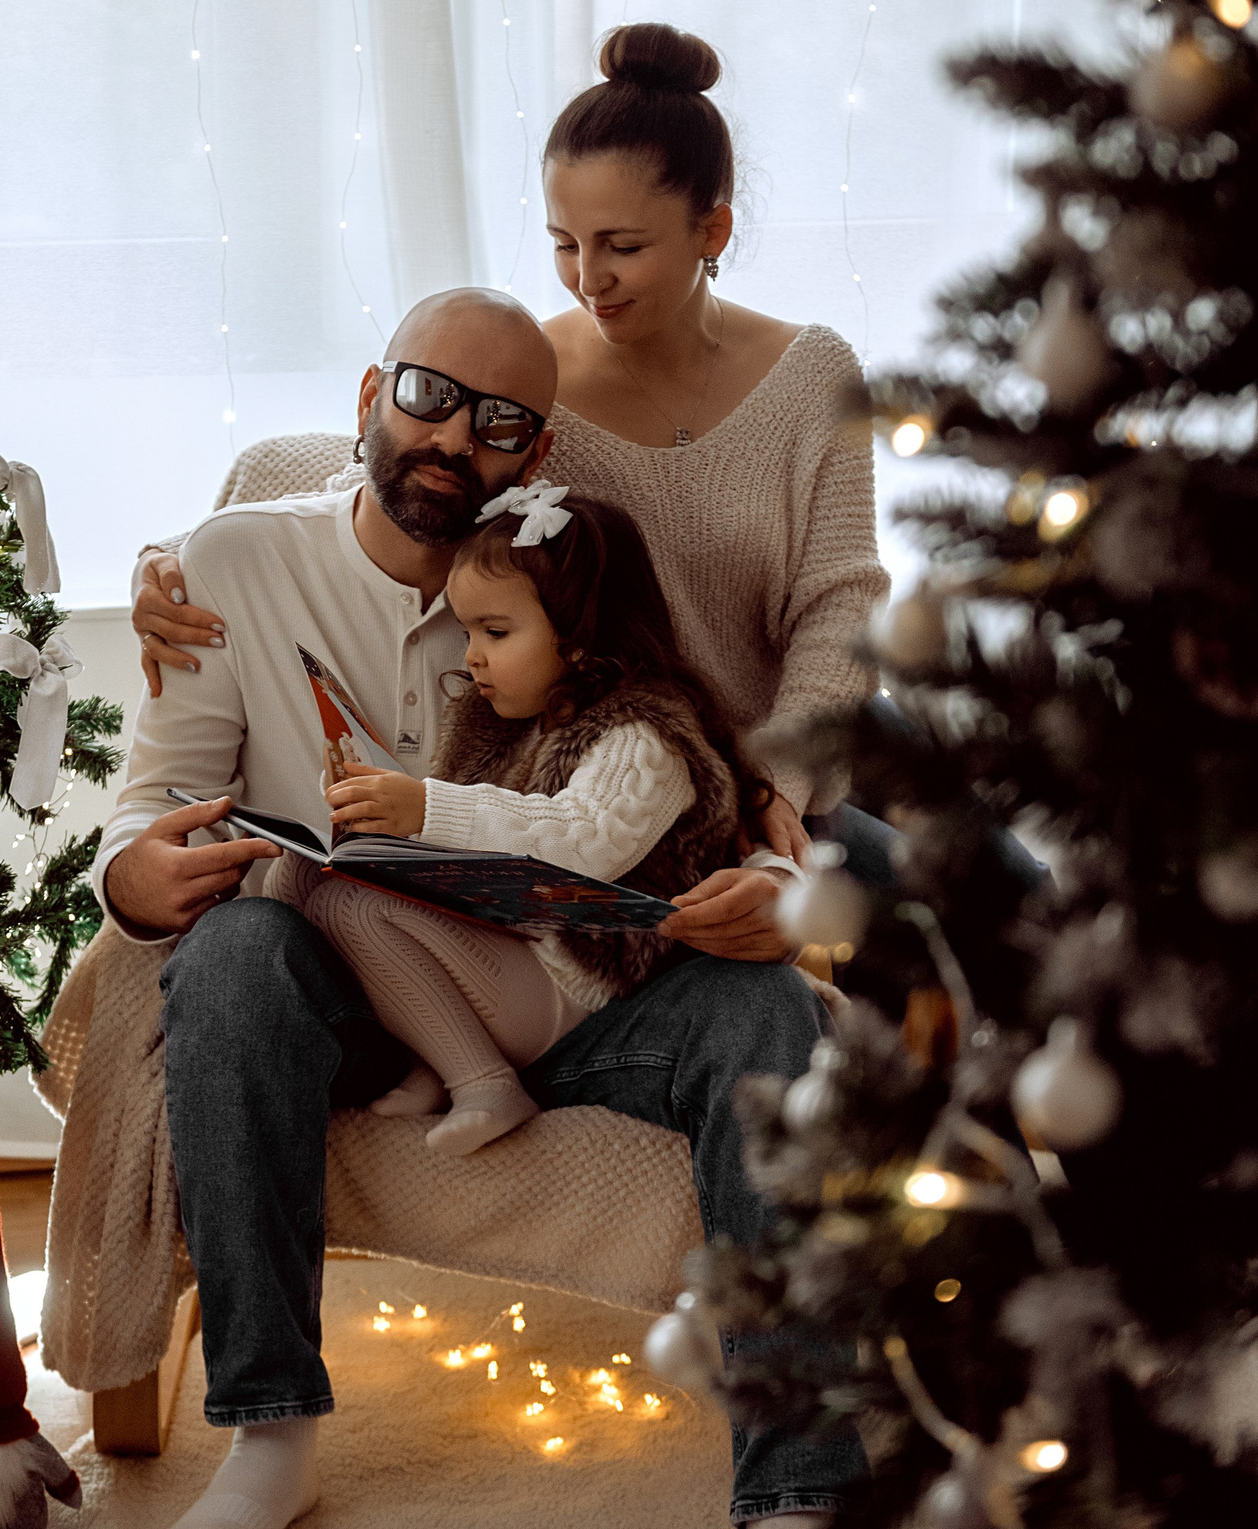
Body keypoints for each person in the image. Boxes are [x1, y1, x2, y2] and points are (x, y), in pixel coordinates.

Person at [96, 287, 860, 1529]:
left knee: (770, 1010)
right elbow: (151, 799)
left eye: (498, 422)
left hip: (582, 987)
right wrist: (132, 876)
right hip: (355, 989)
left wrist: (773, 885)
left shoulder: (552, 583)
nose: (453, 439)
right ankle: (269, 1437)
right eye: (427, 396)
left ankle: (798, 1482)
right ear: (368, 396)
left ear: (534, 453)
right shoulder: (232, 559)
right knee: (237, 951)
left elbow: (700, 766)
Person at [135, 20, 891, 888]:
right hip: (610, 787)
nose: (587, 278)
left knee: (1010, 901)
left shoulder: (817, 376)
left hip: (774, 774)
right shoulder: (532, 385)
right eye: (565, 243)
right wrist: (169, 560)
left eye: (623, 246)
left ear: (712, 230)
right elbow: (391, 475)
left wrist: (773, 788)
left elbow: (843, 607)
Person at [292, 483, 765, 1158]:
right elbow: (459, 834)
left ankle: (484, 1083)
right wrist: (362, 805)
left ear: (579, 637)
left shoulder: (643, 737)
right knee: (308, 870)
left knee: (355, 913)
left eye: (495, 632)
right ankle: (417, 1045)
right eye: (467, 632)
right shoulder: (502, 721)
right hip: (507, 949)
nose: (471, 656)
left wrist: (424, 806)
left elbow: (576, 841)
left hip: (569, 986)